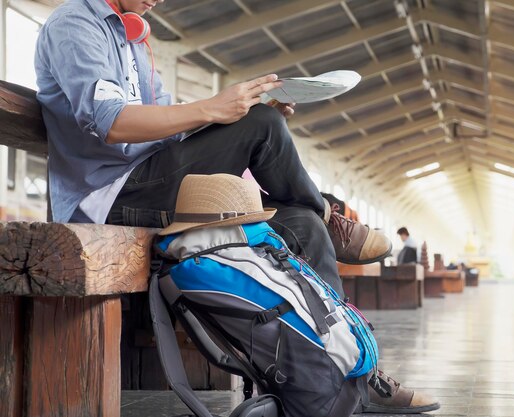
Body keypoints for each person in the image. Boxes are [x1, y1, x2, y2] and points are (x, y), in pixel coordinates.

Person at [34, 0, 439, 413]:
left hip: (155, 179)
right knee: (262, 125)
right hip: (112, 195)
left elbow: (171, 134)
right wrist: (222, 113)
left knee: (300, 223)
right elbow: (113, 122)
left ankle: (349, 372)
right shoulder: (76, 24)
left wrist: (231, 121)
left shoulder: (134, 37)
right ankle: (328, 216)